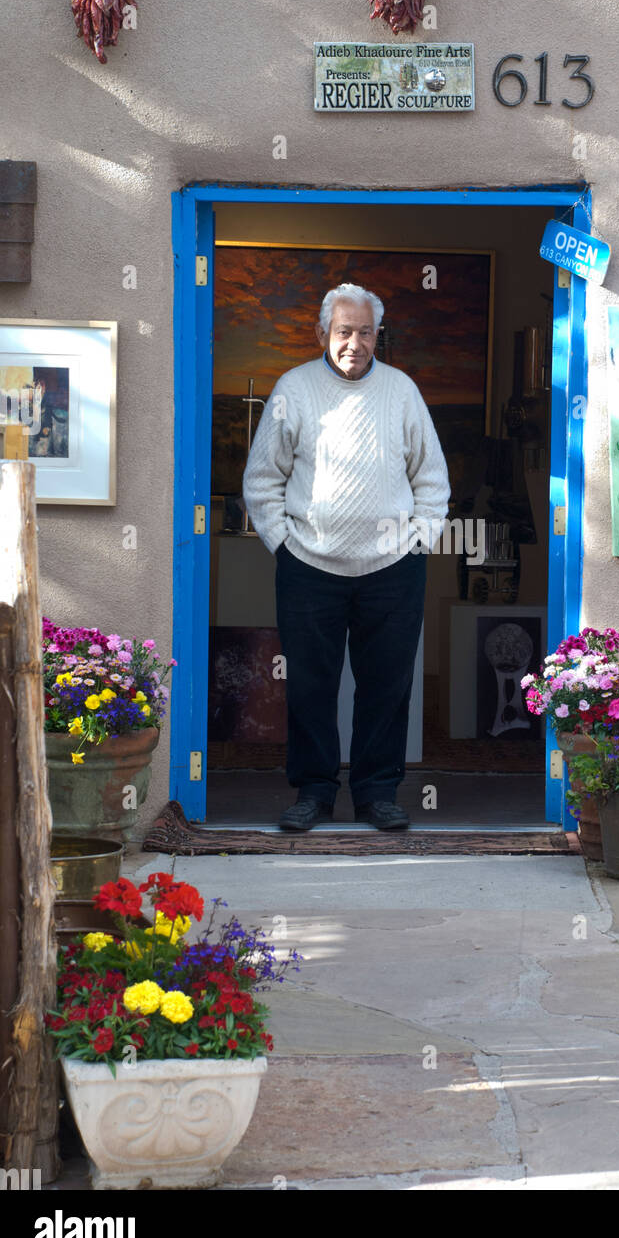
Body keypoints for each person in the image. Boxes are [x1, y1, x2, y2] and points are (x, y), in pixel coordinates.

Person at [243, 282, 450, 831]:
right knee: (311, 685)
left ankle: (377, 793)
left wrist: (420, 539)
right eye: (343, 331)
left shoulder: (402, 390)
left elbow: (432, 478)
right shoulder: (294, 388)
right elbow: (262, 479)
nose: (353, 342)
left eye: (364, 332)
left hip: (392, 570)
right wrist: (282, 544)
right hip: (309, 566)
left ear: (378, 335)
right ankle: (313, 792)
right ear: (321, 334)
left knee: (387, 684)